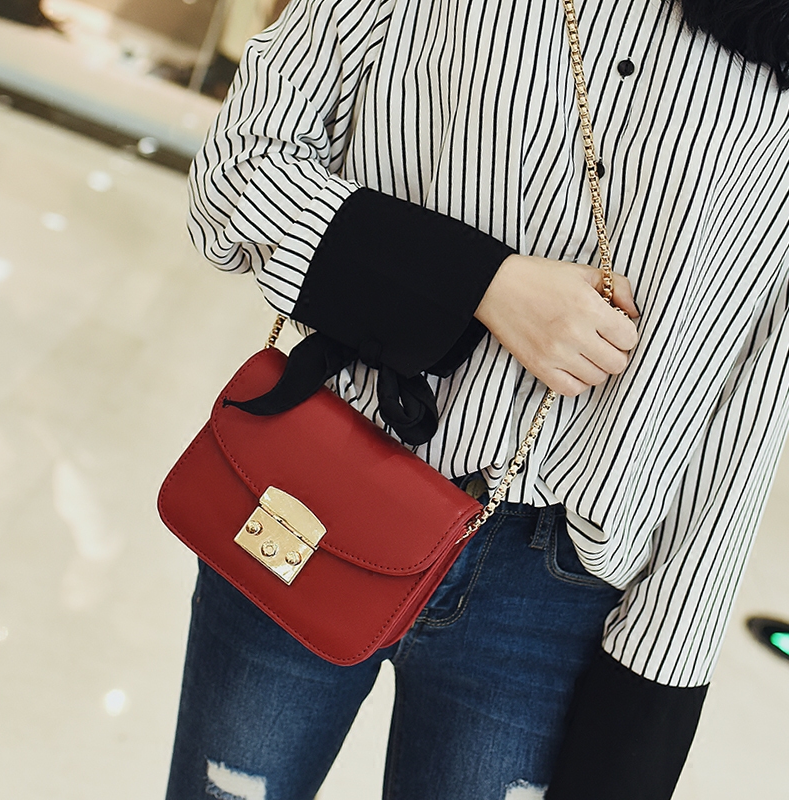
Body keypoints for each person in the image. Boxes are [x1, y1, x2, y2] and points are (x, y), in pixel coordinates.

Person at [166, 0, 789, 796]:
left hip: (555, 592)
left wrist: (654, 691)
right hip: (317, 494)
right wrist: (477, 285)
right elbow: (237, 176)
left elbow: (750, 409)